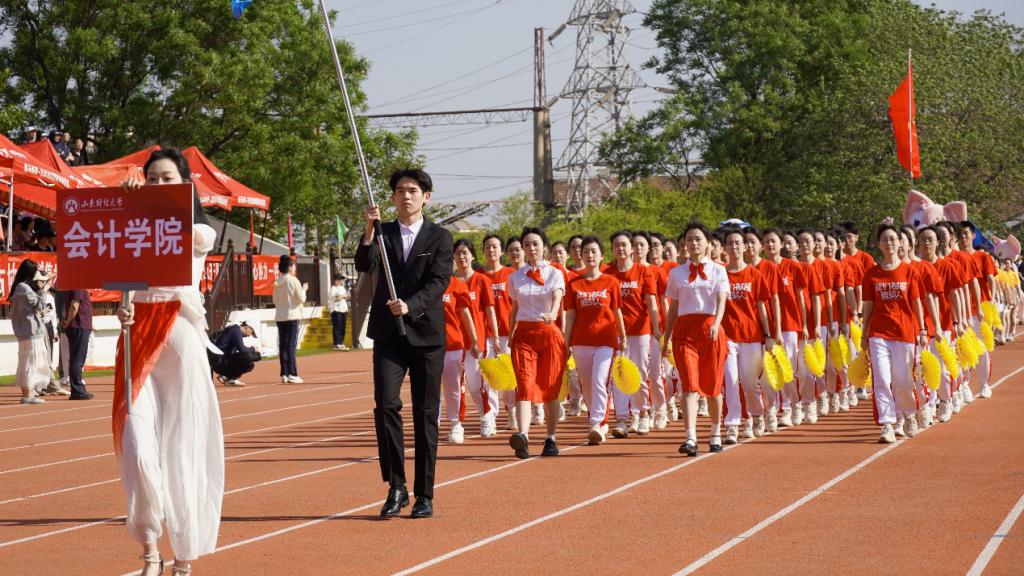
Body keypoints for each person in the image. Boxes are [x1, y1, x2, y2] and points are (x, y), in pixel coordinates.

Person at [114, 147, 223, 575]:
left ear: (185, 184)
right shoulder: (130, 222)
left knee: (182, 446)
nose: (159, 185)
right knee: (136, 444)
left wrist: (140, 203)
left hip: (178, 334)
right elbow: (123, 273)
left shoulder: (200, 231)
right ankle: (149, 550)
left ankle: (183, 555)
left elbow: (183, 235)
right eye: (152, 179)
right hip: (135, 336)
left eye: (167, 179)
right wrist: (123, 305)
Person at [355, 167, 453, 520]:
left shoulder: (440, 237)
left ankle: (425, 493)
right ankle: (396, 487)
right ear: (393, 197)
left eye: (412, 190)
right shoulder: (382, 233)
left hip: (426, 336)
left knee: (425, 414)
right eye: (399, 191)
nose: (405, 196)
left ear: (426, 197)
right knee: (386, 406)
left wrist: (411, 305)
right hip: (388, 335)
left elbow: (439, 281)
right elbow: (363, 264)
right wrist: (369, 229)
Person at [663, 222, 729, 456]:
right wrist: (667, 336)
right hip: (684, 332)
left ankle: (715, 431)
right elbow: (673, 307)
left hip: (710, 329)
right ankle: (690, 437)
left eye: (698, 239)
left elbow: (722, 299)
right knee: (689, 384)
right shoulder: (676, 273)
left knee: (712, 387)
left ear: (708, 243)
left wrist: (717, 324)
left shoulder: (718, 270)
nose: (693, 243)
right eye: (689, 239)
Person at [860, 224, 927, 443]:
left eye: (892, 239)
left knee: (903, 380)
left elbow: (916, 302)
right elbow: (868, 305)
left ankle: (908, 414)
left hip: (904, 332)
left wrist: (922, 330)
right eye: (884, 239)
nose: (888, 243)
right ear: (878, 244)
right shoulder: (872, 274)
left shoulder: (910, 272)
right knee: (881, 378)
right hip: (878, 333)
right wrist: (864, 333)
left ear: (899, 243)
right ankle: (887, 423)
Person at [507, 227, 567, 459]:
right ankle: (522, 437)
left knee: (550, 389)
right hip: (523, 336)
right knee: (524, 385)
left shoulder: (554, 273)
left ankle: (550, 438)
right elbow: (515, 308)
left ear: (544, 247)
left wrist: (552, 313)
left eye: (536, 244)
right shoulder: (515, 277)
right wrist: (510, 333)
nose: (531, 248)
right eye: (527, 244)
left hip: (549, 334)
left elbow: (558, 297)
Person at [563, 235, 626, 445]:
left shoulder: (611, 282)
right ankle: (599, 420)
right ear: (581, 255)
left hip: (605, 341)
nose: (590, 255)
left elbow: (616, 311)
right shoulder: (573, 283)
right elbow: (571, 315)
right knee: (587, 385)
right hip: (581, 341)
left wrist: (622, 335)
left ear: (602, 256)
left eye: (594, 251)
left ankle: (596, 423)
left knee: (600, 381)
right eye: (586, 252)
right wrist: (566, 342)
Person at [606, 231, 661, 437]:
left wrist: (656, 328)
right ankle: (622, 418)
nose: (620, 248)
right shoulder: (607, 273)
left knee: (640, 374)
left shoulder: (643, 271)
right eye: (616, 245)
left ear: (631, 248)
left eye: (624, 245)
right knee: (619, 375)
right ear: (612, 250)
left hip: (640, 332)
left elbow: (651, 303)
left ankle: (643, 413)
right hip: (614, 333)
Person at [452, 239, 500, 437]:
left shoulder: (481, 280)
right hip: (453, 341)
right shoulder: (448, 281)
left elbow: (490, 310)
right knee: (457, 384)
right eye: (458, 253)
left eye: (465, 252)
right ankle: (458, 423)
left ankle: (487, 415)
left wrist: (495, 336)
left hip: (476, 340)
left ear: (472, 255)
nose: (461, 257)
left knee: (475, 383)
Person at [480, 234, 518, 430]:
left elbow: (517, 305)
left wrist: (515, 331)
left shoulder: (511, 274)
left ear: (502, 251)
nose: (491, 250)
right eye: (487, 247)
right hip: (485, 333)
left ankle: (512, 410)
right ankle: (492, 416)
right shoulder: (479, 276)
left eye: (495, 246)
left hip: (507, 332)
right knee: (489, 377)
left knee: (508, 375)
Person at [9, 260, 53, 405]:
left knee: (27, 361)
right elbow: (40, 305)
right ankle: (28, 394)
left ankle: (27, 393)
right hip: (31, 330)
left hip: (26, 331)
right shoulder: (24, 288)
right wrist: (43, 289)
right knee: (33, 361)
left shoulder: (20, 287)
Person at [273, 255, 307, 383]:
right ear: (289, 267)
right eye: (293, 265)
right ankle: (292, 373)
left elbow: (274, 300)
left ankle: (284, 374)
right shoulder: (293, 280)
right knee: (291, 345)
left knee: (283, 345)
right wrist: (304, 289)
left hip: (280, 316)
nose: (295, 267)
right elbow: (301, 298)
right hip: (292, 315)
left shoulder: (277, 282)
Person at [60, 287, 95, 400]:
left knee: (77, 359)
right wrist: (68, 322)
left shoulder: (77, 286)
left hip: (80, 325)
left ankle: (78, 387)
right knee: (77, 359)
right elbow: (74, 305)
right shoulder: (77, 285)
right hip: (79, 325)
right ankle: (77, 390)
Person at [210, 322, 259, 387]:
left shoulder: (234, 330)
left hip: (220, 361)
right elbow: (242, 350)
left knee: (252, 360)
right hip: (220, 362)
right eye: (251, 333)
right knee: (250, 358)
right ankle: (231, 379)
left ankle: (226, 377)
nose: (249, 335)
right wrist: (253, 349)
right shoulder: (236, 331)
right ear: (247, 327)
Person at [329, 273, 351, 350]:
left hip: (343, 309)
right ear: (335, 280)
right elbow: (336, 298)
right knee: (337, 326)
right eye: (338, 280)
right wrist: (343, 296)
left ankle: (341, 342)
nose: (340, 281)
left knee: (343, 327)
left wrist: (342, 296)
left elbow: (348, 296)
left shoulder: (342, 288)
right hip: (336, 310)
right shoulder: (333, 288)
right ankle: (337, 343)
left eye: (340, 280)